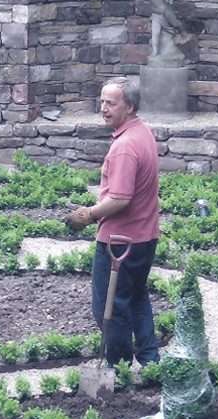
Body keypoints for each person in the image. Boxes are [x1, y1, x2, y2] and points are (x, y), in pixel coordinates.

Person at [65, 77, 160, 369]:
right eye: (102, 102)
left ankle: (118, 369)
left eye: (112, 103)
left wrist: (88, 215)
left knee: (109, 307)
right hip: (145, 236)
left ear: (130, 107)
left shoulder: (125, 146)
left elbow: (120, 199)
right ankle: (151, 361)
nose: (104, 108)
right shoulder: (142, 133)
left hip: (119, 242)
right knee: (135, 298)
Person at [135, 0, 187, 68]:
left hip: (166, 13)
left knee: (176, 24)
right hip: (156, 16)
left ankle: (183, 33)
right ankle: (155, 51)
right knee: (155, 33)